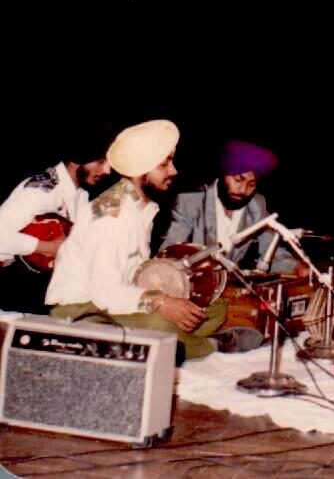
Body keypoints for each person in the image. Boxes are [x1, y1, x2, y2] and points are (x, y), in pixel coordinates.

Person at [45, 120, 240, 361]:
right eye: (164, 164)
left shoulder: (142, 207)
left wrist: (169, 296)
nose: (173, 171)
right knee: (160, 323)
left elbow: (132, 277)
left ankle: (180, 342)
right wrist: (161, 302)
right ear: (141, 169)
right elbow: (104, 292)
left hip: (113, 302)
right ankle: (211, 346)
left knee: (214, 307)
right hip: (82, 310)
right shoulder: (110, 217)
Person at [0, 126, 114, 313]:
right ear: (78, 159)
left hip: (36, 282)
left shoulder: (81, 196)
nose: (107, 170)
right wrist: (49, 247)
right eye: (101, 162)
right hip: (11, 284)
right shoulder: (42, 191)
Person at [161, 139, 307, 276]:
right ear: (223, 174)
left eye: (251, 184)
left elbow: (271, 253)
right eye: (238, 180)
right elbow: (170, 253)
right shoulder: (190, 202)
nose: (243, 190)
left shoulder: (256, 206)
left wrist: (297, 267)